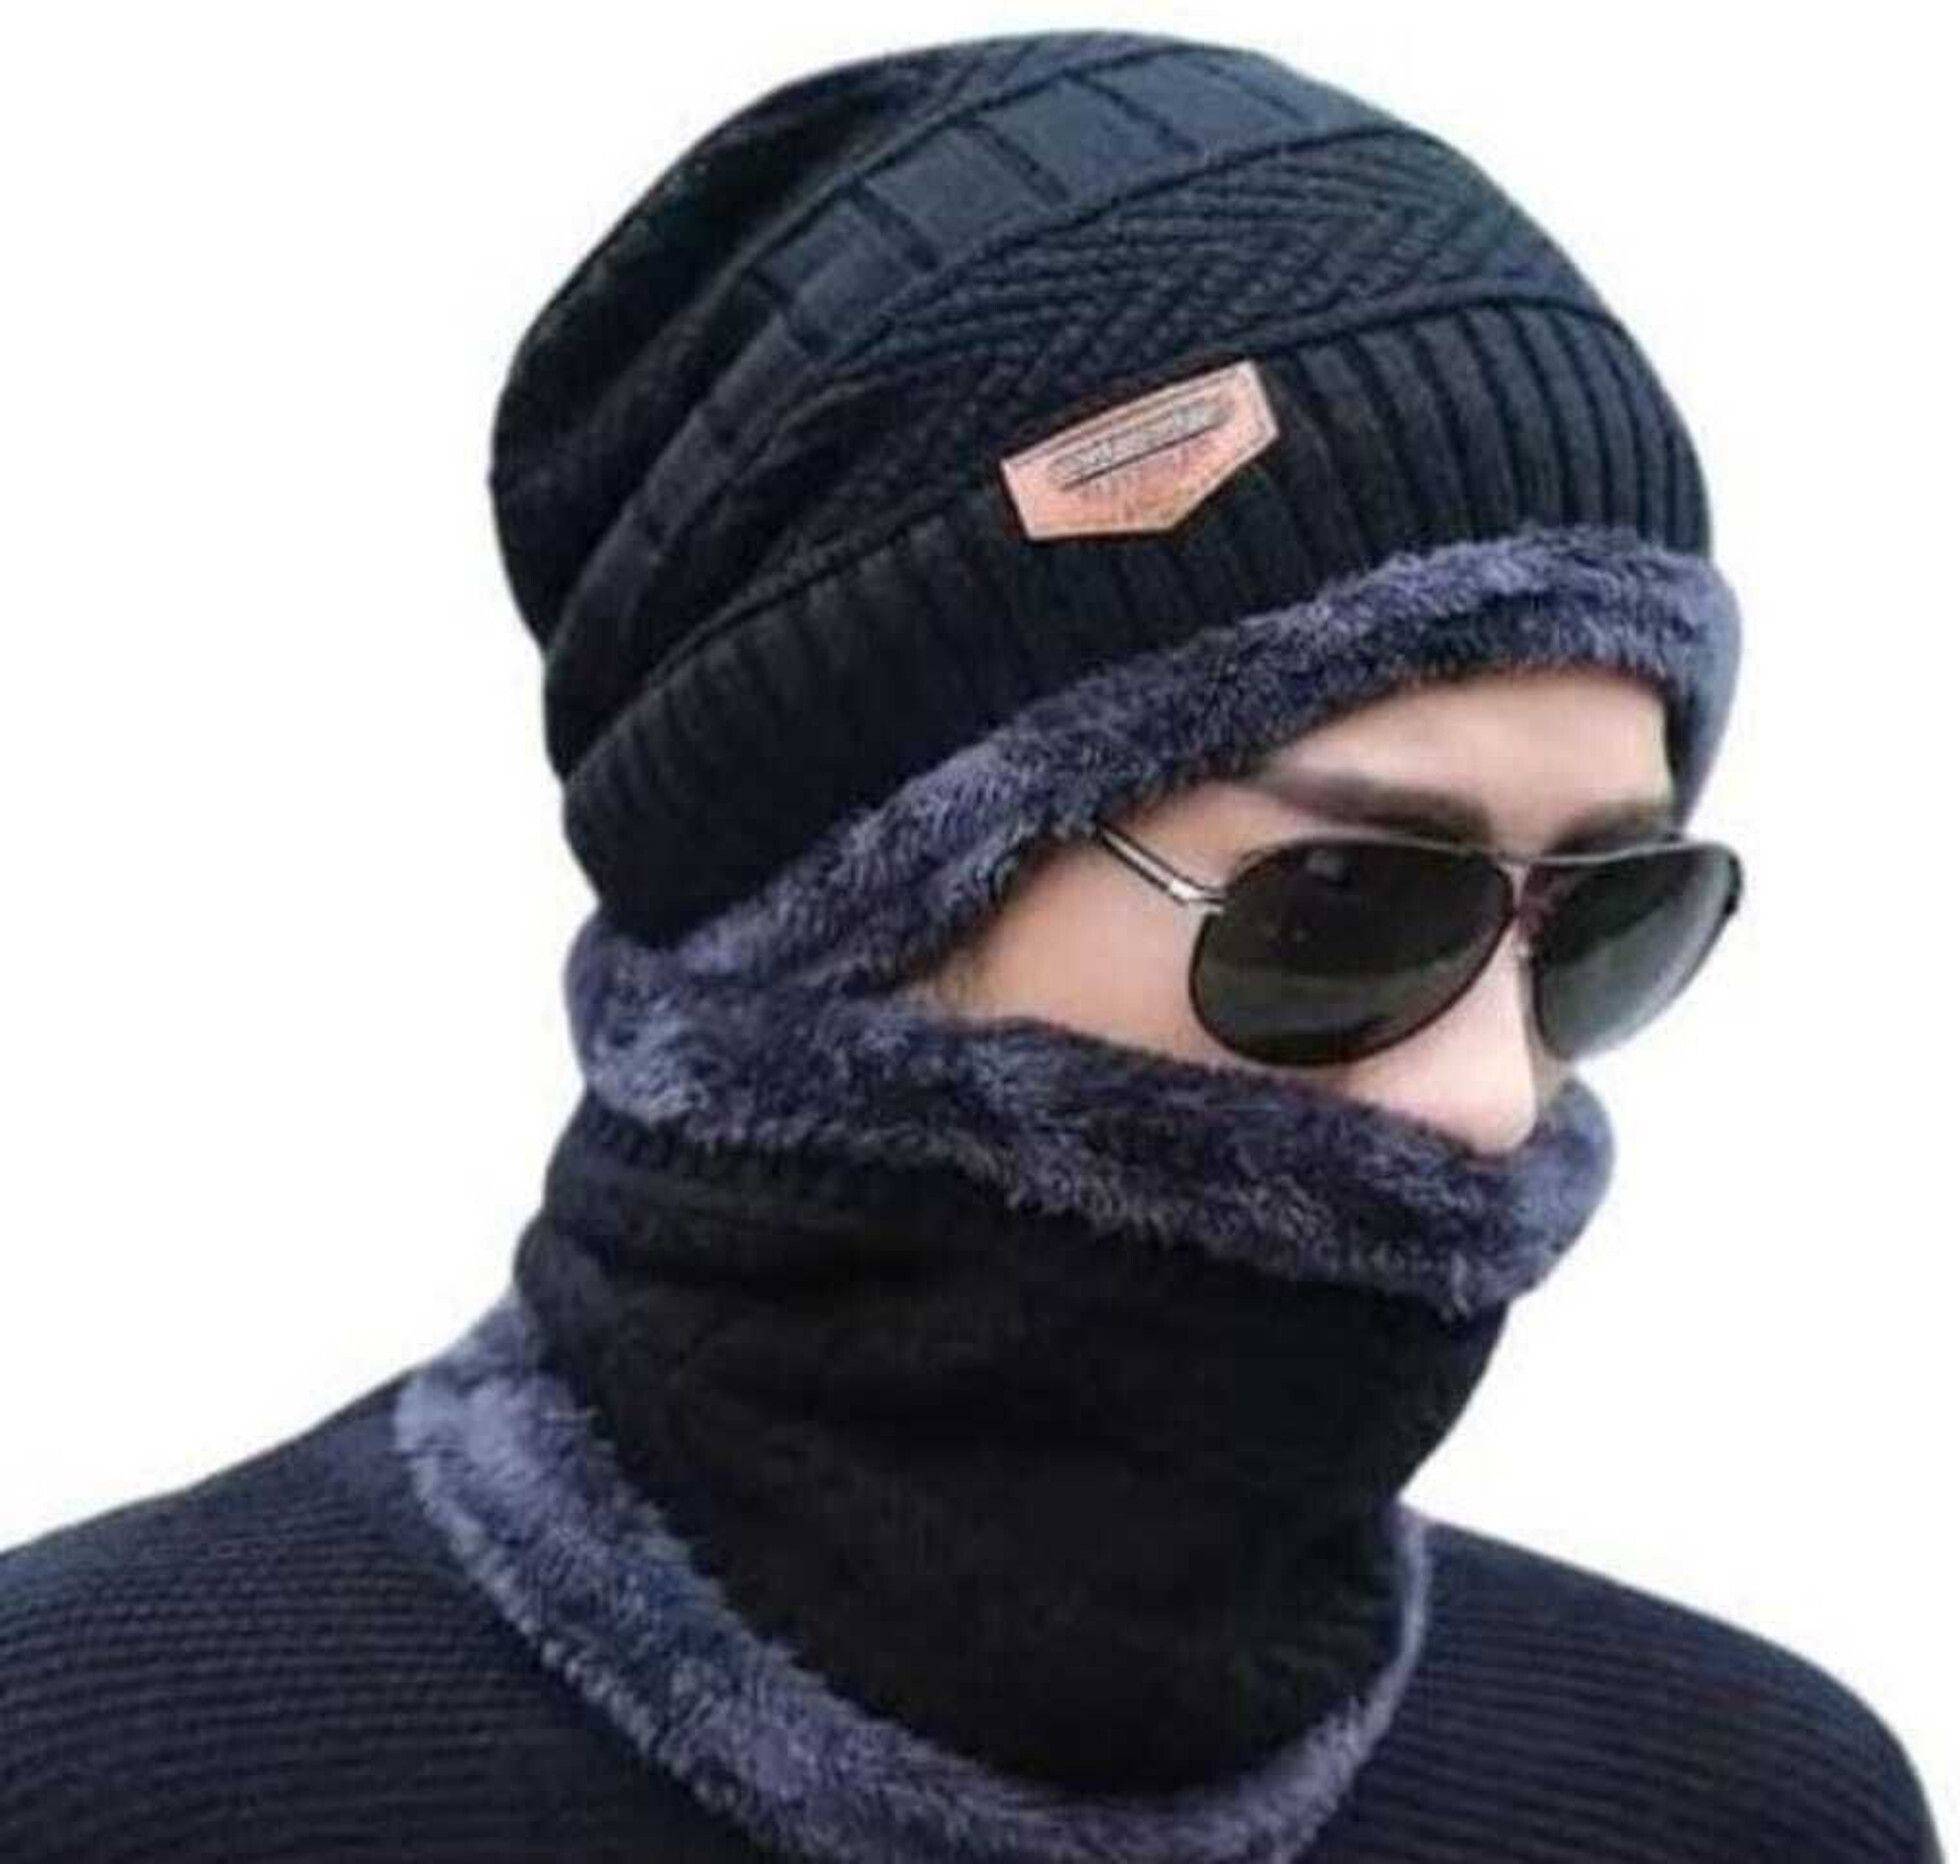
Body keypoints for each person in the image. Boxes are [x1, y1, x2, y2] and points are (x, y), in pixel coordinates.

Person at [0, 26, 1941, 1864]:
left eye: (1601, 923)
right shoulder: (91, 1771)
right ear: (844, 898)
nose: (1488, 1094)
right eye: (1344, 904)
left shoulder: (1738, 1809)